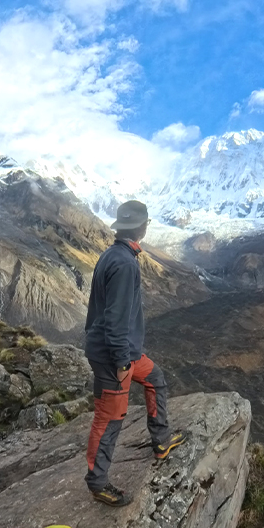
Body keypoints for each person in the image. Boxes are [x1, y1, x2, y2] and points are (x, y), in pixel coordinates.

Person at [83, 200, 186, 507]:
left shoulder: (113, 255)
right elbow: (115, 318)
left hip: (122, 350)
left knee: (156, 378)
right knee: (110, 417)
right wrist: (121, 361)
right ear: (141, 227)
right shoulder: (125, 264)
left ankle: (161, 442)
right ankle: (98, 483)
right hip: (115, 356)